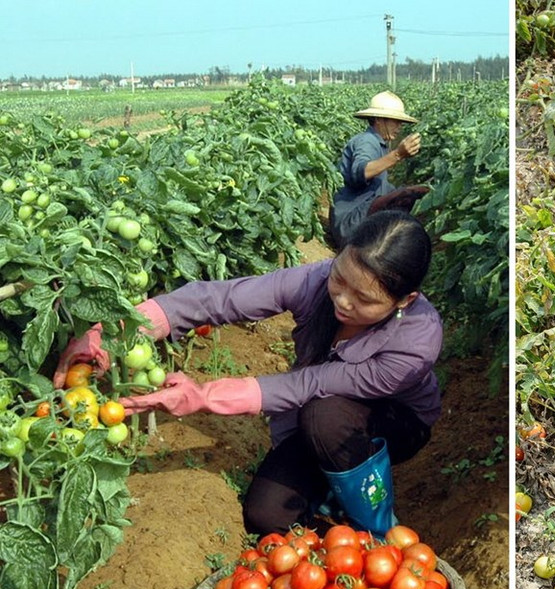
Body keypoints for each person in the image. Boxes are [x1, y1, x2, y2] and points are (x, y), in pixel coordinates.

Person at [54, 211, 442, 537]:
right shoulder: (314, 281)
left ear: (404, 301)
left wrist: (203, 397)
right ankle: (334, 518)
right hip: (318, 413)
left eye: (364, 299)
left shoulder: (416, 342)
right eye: (339, 278)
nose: (342, 300)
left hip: (393, 421)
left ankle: (377, 527)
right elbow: (222, 298)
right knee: (266, 516)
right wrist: (113, 331)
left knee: (324, 415)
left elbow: (311, 384)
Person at [329, 91, 429, 250]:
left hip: (354, 221)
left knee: (408, 194)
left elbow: (381, 188)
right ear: (378, 119)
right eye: (396, 121)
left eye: (401, 122)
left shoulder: (379, 144)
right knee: (403, 197)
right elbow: (362, 172)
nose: (399, 127)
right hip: (350, 224)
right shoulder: (367, 141)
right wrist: (398, 154)